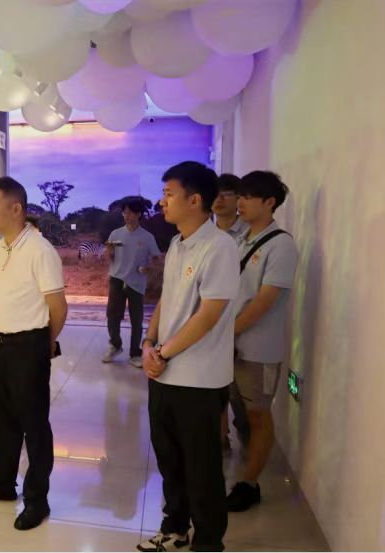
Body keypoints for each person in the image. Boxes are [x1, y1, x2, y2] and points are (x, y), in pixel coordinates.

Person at [138, 162, 239, 552]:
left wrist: (162, 352)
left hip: (198, 379)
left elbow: (208, 315)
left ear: (195, 200)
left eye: (169, 194)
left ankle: (209, 542)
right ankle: (175, 527)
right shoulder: (178, 244)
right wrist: (149, 341)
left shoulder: (219, 247)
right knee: (170, 460)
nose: (162, 201)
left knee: (202, 466)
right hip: (164, 372)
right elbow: (168, 299)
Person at [0, 177, 67, 532]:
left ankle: (37, 499)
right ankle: (3, 483)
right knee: (1, 419)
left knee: (33, 425)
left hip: (28, 345)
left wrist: (44, 344)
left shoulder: (40, 250)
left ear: (16, 208)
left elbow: (58, 307)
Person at [226, 171, 299, 512]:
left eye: (248, 196)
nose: (240, 202)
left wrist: (228, 332)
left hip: (258, 350)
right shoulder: (239, 240)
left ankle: (250, 484)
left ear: (270, 202)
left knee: (257, 415)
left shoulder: (281, 245)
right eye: (240, 195)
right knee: (239, 413)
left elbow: (264, 300)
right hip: (231, 346)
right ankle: (242, 468)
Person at [213, 173, 251, 452]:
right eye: (215, 193)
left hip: (242, 325)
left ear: (239, 198)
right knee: (214, 388)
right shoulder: (205, 235)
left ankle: (247, 440)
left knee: (240, 393)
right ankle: (220, 439)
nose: (219, 199)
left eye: (226, 193)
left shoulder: (250, 235)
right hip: (211, 324)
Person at [103, 198, 161, 368]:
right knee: (112, 316)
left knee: (136, 319)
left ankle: (135, 353)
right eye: (125, 212)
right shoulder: (115, 234)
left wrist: (149, 268)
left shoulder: (147, 237)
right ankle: (115, 345)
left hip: (136, 281)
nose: (126, 215)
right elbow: (110, 257)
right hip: (116, 279)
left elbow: (156, 259)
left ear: (139, 214)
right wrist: (109, 252)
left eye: (130, 212)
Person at [213, 174, 250, 238]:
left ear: (238, 198)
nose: (218, 199)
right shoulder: (207, 233)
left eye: (225, 194)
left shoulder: (250, 229)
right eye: (214, 195)